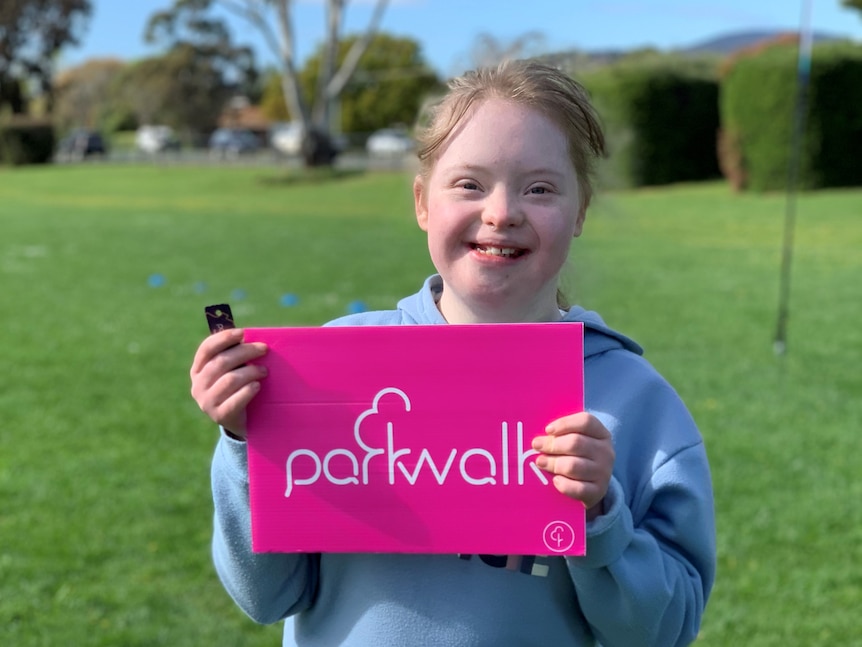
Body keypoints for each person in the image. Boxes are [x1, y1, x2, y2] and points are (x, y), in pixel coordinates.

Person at [190, 59, 716, 646]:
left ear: (580, 211)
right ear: (422, 202)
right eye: (469, 184)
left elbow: (666, 630)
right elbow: (267, 596)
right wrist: (246, 442)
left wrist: (599, 519)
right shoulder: (333, 372)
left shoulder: (635, 405)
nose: (501, 212)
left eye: (539, 188)